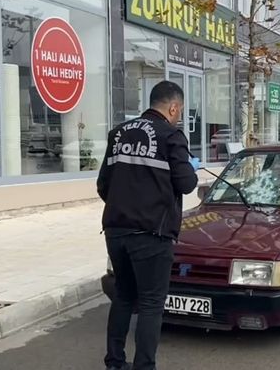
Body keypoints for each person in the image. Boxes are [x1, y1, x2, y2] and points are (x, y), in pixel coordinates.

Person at [97, 81, 199, 370]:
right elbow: (187, 184)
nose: (178, 116)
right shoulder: (171, 136)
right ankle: (144, 366)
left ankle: (115, 362)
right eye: (178, 111)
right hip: (152, 233)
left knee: (124, 296)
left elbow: (103, 184)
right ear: (173, 107)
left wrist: (123, 206)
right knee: (152, 303)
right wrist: (190, 166)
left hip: (116, 230)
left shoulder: (118, 134)